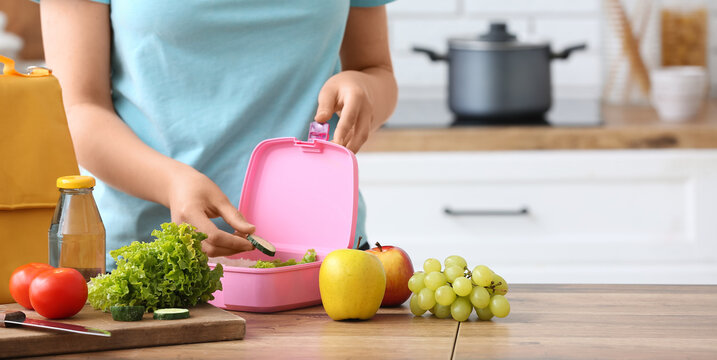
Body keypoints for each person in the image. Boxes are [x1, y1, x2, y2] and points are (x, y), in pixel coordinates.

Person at [39, 0, 398, 271]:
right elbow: (77, 108)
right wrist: (170, 184)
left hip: (322, 262)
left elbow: (376, 69)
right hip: (147, 262)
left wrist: (363, 87)